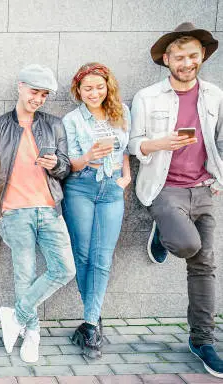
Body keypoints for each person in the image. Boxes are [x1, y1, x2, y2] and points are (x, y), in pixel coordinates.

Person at [129, 22, 223, 378]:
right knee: (187, 244)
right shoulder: (147, 97)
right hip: (164, 186)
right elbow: (133, 143)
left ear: (202, 58)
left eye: (193, 56)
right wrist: (158, 143)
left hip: (203, 188)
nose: (187, 63)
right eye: (179, 57)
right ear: (167, 59)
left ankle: (203, 341)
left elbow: (221, 141)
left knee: (204, 266)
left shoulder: (214, 94)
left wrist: (220, 177)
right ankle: (166, 232)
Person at [0, 64, 75, 363]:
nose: (39, 99)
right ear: (20, 86)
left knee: (65, 270)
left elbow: (65, 167)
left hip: (49, 210)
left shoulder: (54, 124)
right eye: (35, 92)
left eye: (44, 95)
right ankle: (32, 335)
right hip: (14, 212)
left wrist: (56, 165)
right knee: (23, 276)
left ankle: (17, 315)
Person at [61, 63, 131, 359]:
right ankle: (93, 317)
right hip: (81, 187)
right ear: (78, 90)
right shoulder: (72, 119)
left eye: (99, 87)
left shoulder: (122, 112)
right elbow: (69, 163)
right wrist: (88, 157)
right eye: (87, 88)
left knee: (103, 258)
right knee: (84, 256)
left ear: (108, 86)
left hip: (112, 189)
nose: (94, 93)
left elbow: (126, 149)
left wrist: (127, 176)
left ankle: (90, 323)